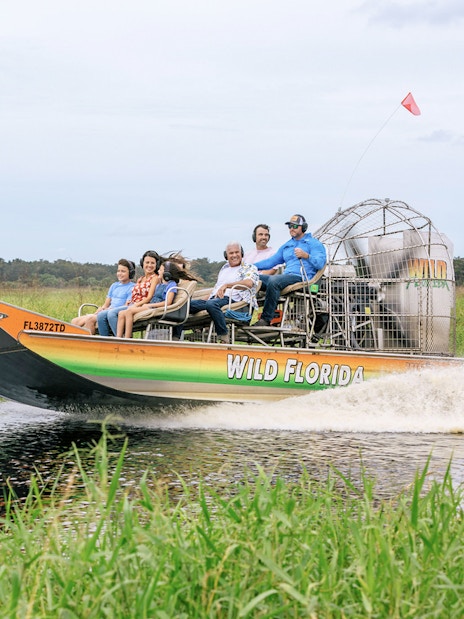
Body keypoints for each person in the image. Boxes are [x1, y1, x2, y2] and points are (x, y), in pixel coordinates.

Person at [174, 241, 259, 344]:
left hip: (233, 300)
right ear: (226, 255)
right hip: (216, 299)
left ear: (242, 253)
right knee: (184, 305)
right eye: (231, 253)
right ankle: (176, 338)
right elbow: (216, 289)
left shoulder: (249, 267)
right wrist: (204, 299)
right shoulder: (224, 268)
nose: (234, 255)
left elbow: (249, 283)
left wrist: (227, 285)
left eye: (237, 252)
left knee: (212, 304)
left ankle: (223, 335)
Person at [253, 214, 326, 326]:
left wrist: (306, 256)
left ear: (304, 227)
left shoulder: (313, 243)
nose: (292, 228)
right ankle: (242, 316)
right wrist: (251, 267)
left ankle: (266, 319)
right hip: (286, 277)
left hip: (302, 277)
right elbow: (271, 262)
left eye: (295, 226)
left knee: (274, 281)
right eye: (290, 226)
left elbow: (320, 263)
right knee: (253, 279)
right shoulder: (287, 245)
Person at [116, 261, 197, 338]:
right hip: (150, 305)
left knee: (129, 312)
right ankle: (118, 338)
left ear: (167, 273)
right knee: (121, 313)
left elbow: (168, 303)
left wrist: (150, 305)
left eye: (160, 270)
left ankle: (127, 338)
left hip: (156, 308)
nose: (158, 271)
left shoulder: (172, 285)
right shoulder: (160, 285)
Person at [100, 250, 162, 336]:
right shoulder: (140, 279)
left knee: (112, 313)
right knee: (104, 315)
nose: (149, 265)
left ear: (156, 265)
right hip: (131, 304)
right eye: (147, 262)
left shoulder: (155, 278)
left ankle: (121, 338)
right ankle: (115, 339)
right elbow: (135, 294)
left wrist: (136, 305)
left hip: (140, 305)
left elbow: (149, 297)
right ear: (142, 263)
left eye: (152, 263)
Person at [71, 258, 136, 335]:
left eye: (123, 271)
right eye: (118, 271)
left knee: (90, 319)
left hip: (115, 313)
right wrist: (101, 309)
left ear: (130, 273)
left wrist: (109, 310)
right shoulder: (114, 286)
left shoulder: (132, 287)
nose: (120, 273)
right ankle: (75, 344)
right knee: (74, 321)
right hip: (106, 311)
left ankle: (90, 344)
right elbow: (106, 304)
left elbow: (126, 306)